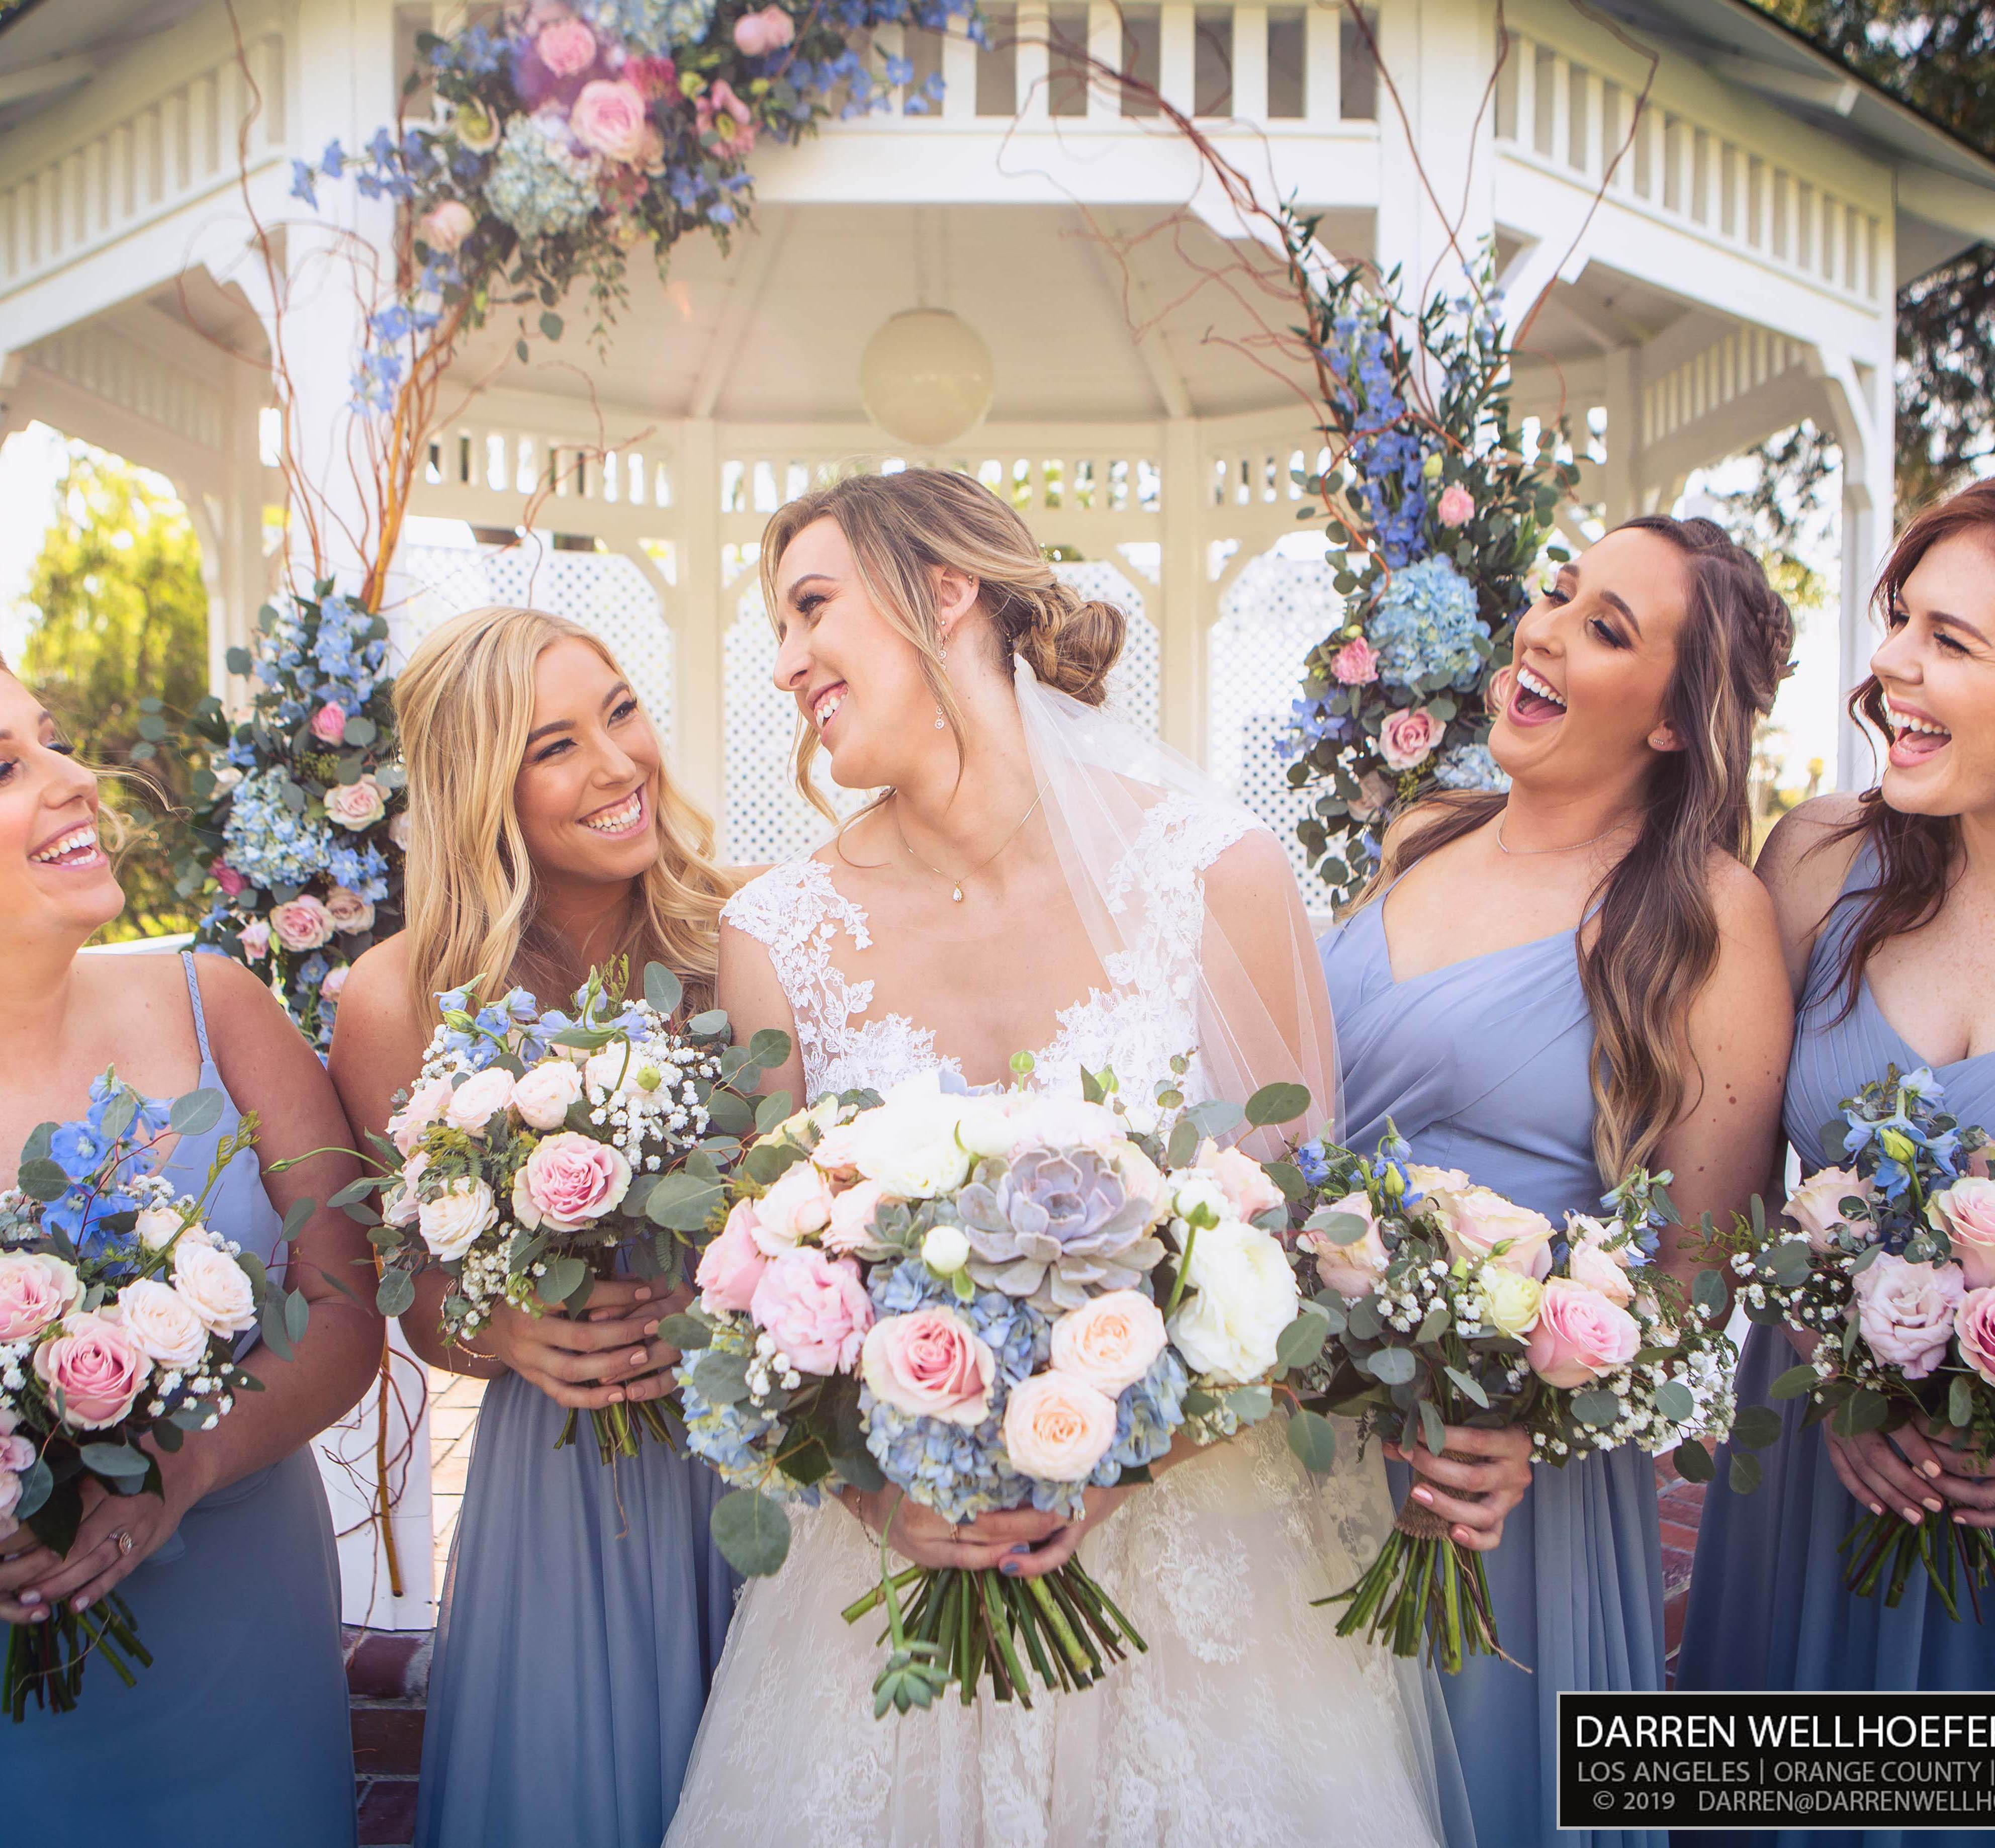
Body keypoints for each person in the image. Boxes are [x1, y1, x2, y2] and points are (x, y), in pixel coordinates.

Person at [666, 468, 1531, 1847]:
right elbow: (771, 1298)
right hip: (896, 1597)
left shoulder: (1218, 874)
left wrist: (1116, 1460)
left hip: (1204, 1575)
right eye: (778, 627)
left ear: (947, 590)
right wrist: (879, 1497)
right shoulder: (778, 933)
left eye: (811, 607)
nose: (785, 664)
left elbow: (1308, 1266)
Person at [1319, 517, 1795, 1846]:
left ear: (1671, 718)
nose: (1545, 631)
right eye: (1559, 594)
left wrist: (1532, 1421)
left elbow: (1695, 1269)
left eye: (1606, 629)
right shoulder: (1424, 832)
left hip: (1497, 1487)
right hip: (1306, 1435)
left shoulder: (1704, 913)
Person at [329, 607, 738, 1848]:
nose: (618, 764)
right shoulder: (398, 997)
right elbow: (414, 1291)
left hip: (761, 1444)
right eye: (555, 746)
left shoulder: (744, 939)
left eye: (621, 712)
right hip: (567, 1482)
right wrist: (506, 1332)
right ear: (480, 788)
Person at [0, 657, 379, 1847]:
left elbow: (345, 1307)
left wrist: (186, 1464)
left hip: (244, 1634)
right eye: (6, 766)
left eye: (54, 740)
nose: (74, 779)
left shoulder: (216, 1003)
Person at [1677, 481, 1995, 1845]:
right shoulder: (1816, 859)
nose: (1892, 663)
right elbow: (1729, 1184)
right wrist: (1834, 1359)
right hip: (1817, 1469)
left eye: (1951, 641)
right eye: (1900, 619)